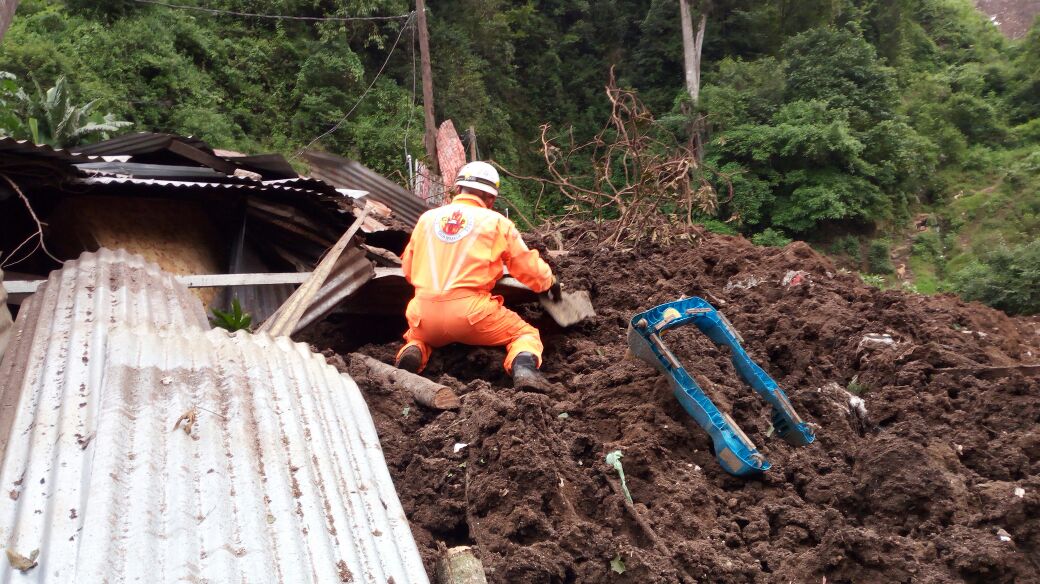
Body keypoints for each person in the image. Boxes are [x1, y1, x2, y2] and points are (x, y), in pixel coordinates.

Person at [394, 161, 562, 390]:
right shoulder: (496, 222)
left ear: (458, 190)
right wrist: (548, 282)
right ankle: (523, 367)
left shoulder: (426, 219)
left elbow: (409, 270)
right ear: (491, 198)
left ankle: (415, 350)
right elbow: (526, 266)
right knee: (525, 333)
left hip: (423, 314)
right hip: (472, 315)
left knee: (417, 335)